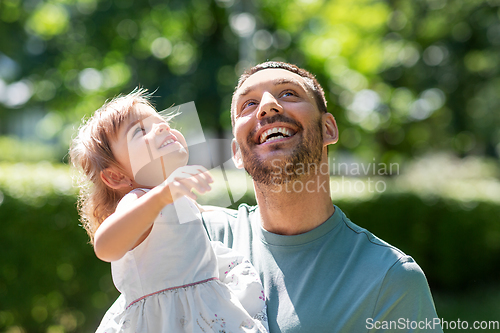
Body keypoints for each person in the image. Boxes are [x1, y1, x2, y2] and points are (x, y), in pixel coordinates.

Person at [201, 62, 443, 332]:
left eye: (289, 94)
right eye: (248, 104)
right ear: (236, 152)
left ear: (328, 129)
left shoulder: (390, 279)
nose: (267, 106)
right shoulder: (200, 239)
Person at [69, 89, 268, 333]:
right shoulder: (138, 200)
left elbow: (196, 223)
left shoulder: (173, 200)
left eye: (162, 123)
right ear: (116, 176)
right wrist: (162, 195)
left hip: (202, 312)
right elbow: (105, 246)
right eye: (140, 131)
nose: (163, 128)